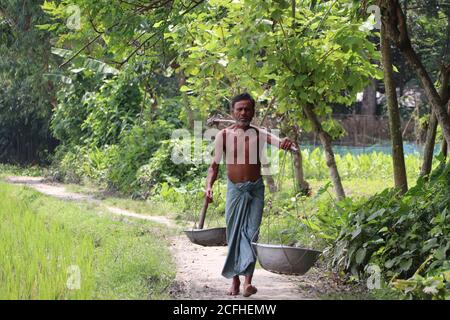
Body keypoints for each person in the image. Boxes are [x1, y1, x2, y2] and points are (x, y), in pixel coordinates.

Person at [205, 93, 294, 297]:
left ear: (253, 112)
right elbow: (213, 166)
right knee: (234, 233)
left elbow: (279, 142)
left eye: (247, 109)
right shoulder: (224, 136)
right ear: (233, 112)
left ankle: (248, 283)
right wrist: (208, 187)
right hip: (234, 190)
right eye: (240, 109)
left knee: (252, 233)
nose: (244, 112)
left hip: (255, 190)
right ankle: (235, 281)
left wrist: (286, 142)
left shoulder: (259, 133)